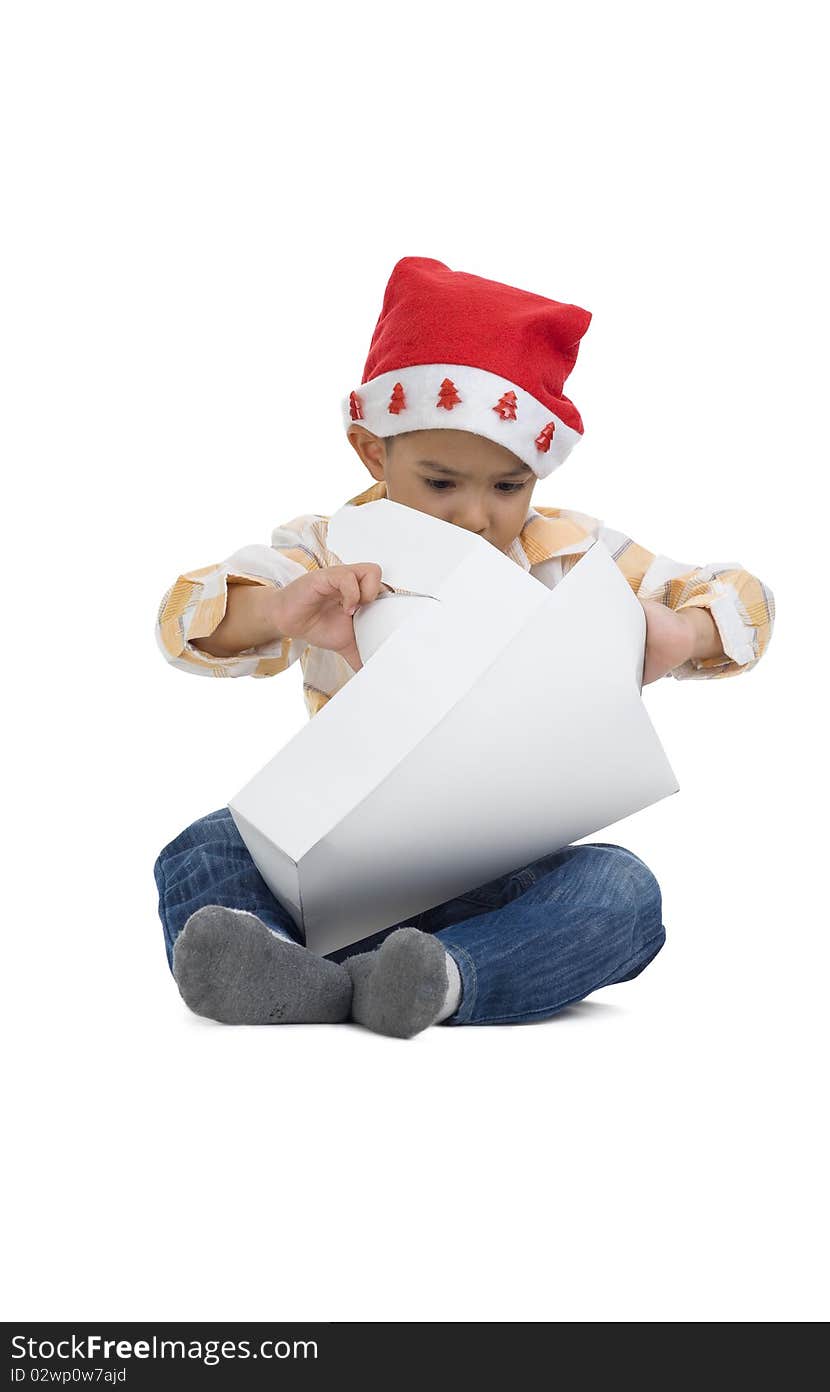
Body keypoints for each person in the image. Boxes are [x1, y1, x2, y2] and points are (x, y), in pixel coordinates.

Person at [153, 255, 775, 1038]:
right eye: (441, 483)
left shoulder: (572, 557)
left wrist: (682, 631)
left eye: (508, 487)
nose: (476, 516)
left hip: (497, 878)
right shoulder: (329, 548)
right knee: (203, 847)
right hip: (328, 867)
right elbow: (187, 620)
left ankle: (438, 980)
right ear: (373, 453)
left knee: (622, 890)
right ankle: (283, 970)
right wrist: (278, 611)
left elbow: (744, 597)